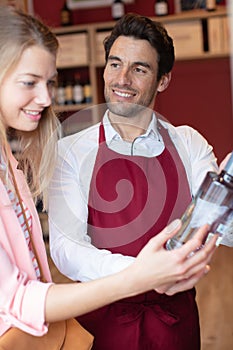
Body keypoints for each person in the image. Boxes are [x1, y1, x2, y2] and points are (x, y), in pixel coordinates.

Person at [0, 5, 219, 343]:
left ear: (163, 81)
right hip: (99, 321)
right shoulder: (71, 151)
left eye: (139, 69)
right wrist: (143, 274)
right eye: (115, 64)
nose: (122, 79)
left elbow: (219, 227)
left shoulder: (188, 144)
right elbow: (67, 251)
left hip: (174, 321)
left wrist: (225, 205)